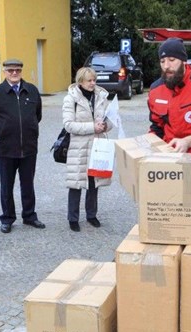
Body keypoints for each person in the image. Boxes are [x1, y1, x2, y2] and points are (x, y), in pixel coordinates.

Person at [0, 58, 45, 233]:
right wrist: (2, 135)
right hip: (6, 148)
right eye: (10, 70)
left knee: (28, 184)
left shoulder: (32, 91)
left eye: (17, 70)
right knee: (6, 185)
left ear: (21, 71)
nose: (14, 73)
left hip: (28, 147)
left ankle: (29, 216)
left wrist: (30, 131)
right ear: (4, 71)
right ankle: (8, 218)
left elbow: (37, 116)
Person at [62, 67, 112, 232]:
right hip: (79, 146)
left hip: (97, 145)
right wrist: (93, 127)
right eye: (89, 80)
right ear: (80, 81)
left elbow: (110, 119)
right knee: (76, 183)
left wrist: (105, 126)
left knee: (94, 182)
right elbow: (69, 125)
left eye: (94, 80)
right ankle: (73, 218)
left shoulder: (101, 97)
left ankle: (91, 215)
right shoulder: (71, 99)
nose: (93, 83)